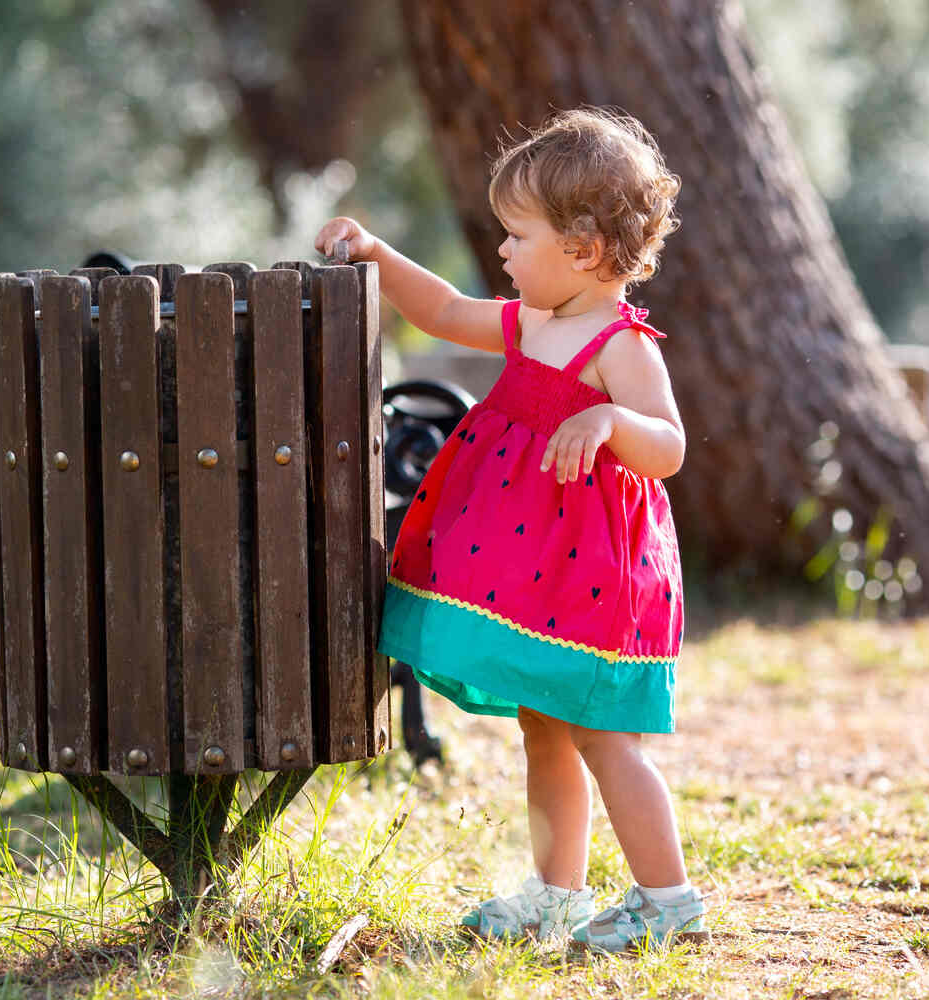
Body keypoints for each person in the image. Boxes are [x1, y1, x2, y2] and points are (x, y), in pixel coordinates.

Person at [315, 108, 707, 954]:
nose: (501, 251)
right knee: (543, 726)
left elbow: (669, 448)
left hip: (599, 578)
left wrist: (608, 418)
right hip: (540, 580)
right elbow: (449, 310)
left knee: (605, 737)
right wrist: (381, 257)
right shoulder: (534, 323)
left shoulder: (620, 346)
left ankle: (667, 900)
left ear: (585, 250)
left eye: (516, 235)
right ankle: (556, 893)